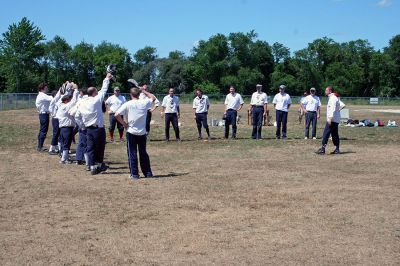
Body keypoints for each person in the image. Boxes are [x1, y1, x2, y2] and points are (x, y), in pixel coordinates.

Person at [114, 85, 157, 179]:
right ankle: (148, 173)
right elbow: (153, 97)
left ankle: (135, 174)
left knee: (132, 153)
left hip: (131, 132)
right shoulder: (144, 102)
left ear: (130, 94)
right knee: (143, 153)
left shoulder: (127, 104)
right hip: (142, 132)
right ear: (139, 94)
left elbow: (116, 114)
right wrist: (144, 91)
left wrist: (124, 124)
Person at [75, 73, 112, 175]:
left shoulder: (82, 102)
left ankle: (92, 167)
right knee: (100, 147)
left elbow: (77, 116)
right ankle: (99, 165)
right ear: (95, 93)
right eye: (97, 91)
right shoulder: (96, 100)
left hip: (88, 129)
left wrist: (82, 126)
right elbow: (104, 89)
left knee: (90, 147)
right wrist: (107, 78)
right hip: (98, 129)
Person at [56, 84, 79, 164]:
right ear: (66, 101)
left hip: (63, 128)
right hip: (67, 127)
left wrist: (68, 89)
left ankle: (64, 156)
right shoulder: (65, 106)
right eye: (69, 100)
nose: (70, 101)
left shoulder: (61, 105)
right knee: (67, 143)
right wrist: (76, 90)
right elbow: (74, 101)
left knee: (63, 142)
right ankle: (64, 159)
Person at [316, 86, 341, 155]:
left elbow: (332, 108)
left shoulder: (332, 98)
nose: (325, 91)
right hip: (335, 119)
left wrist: (330, 118)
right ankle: (337, 149)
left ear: (330, 91)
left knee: (326, 134)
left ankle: (323, 149)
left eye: (326, 90)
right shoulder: (334, 98)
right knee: (334, 134)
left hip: (332, 119)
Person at [70, 87, 89, 168]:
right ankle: (87, 159)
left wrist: (80, 123)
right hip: (89, 124)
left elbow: (72, 112)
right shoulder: (90, 100)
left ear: (81, 93)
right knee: (88, 143)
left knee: (81, 142)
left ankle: (79, 159)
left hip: (82, 124)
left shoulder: (80, 101)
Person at [35, 83, 53, 152]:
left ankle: (40, 145)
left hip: (43, 114)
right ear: (43, 88)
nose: (47, 88)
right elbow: (51, 98)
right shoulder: (42, 95)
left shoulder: (41, 95)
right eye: (46, 87)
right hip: (44, 115)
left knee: (42, 130)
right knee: (43, 131)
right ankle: (40, 146)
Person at [48, 89, 61, 154]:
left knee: (58, 133)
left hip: (58, 119)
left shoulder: (57, 102)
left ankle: (56, 147)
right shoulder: (53, 101)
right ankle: (51, 149)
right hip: (55, 119)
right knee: (55, 133)